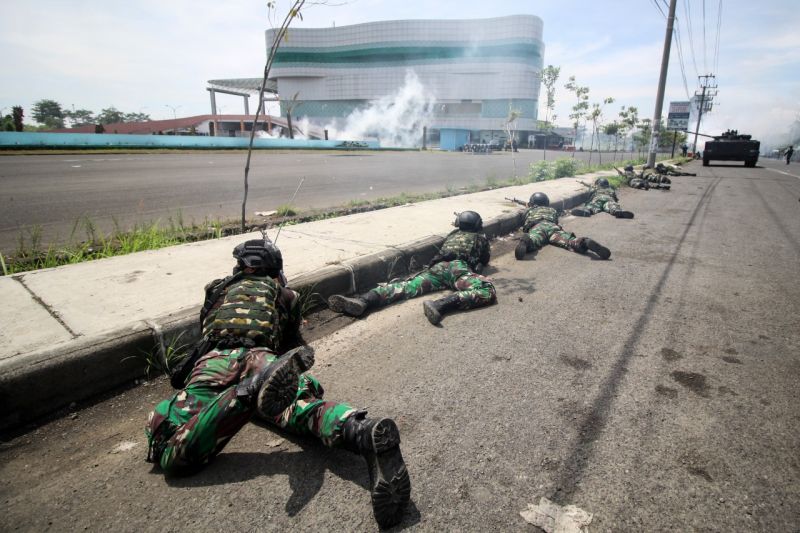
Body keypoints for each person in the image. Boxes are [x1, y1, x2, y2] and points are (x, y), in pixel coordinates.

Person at [145, 239, 411, 529]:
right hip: (266, 360)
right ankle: (360, 430)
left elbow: (205, 329)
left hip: (215, 363)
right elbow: (292, 348)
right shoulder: (287, 296)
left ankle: (245, 394)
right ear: (276, 269)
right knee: (298, 408)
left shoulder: (215, 290)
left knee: (169, 448)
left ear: (239, 265)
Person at [328, 211, 496, 325]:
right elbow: (485, 260)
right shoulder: (479, 238)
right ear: (476, 225)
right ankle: (440, 305)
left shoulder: (452, 235)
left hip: (436, 267)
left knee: (406, 287)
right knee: (486, 289)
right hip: (457, 269)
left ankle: (364, 300)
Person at [512, 192, 611, 260]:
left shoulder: (530, 210)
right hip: (552, 227)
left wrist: (528, 208)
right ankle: (583, 242)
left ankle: (526, 241)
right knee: (568, 241)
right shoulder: (552, 210)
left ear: (531, 203)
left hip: (538, 226)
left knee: (535, 239)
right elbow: (555, 220)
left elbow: (524, 218)